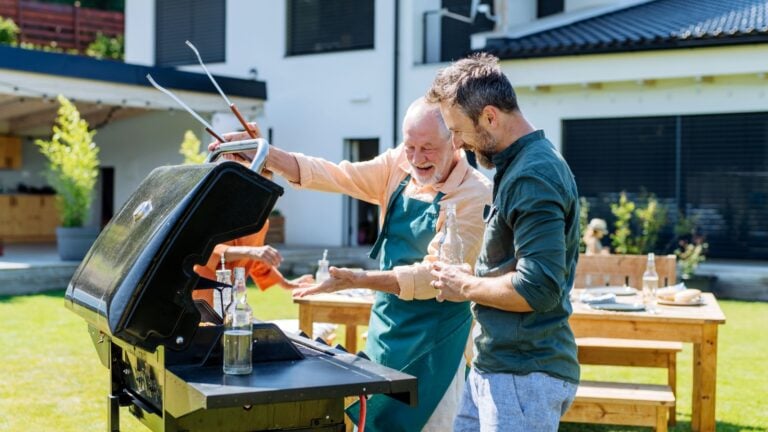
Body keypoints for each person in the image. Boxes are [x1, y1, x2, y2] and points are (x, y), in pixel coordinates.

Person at [211, 98, 492, 432]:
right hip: (387, 330)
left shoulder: (475, 193)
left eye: (427, 148)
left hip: (437, 343)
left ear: (455, 140)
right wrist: (265, 152)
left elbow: (435, 276)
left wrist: (359, 278)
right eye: (410, 145)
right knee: (371, 423)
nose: (416, 158)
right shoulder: (397, 165)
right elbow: (335, 175)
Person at [426, 53, 580, 431]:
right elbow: (517, 267)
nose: (457, 144)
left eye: (458, 130)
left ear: (490, 116)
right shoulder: (517, 166)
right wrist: (472, 275)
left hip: (524, 374)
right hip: (495, 365)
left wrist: (464, 285)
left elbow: (539, 287)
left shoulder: (534, 174)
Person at [192, 154, 313, 310]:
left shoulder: (261, 223)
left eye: (267, 188)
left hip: (231, 297)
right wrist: (252, 251)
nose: (262, 196)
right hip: (203, 295)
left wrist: (287, 284)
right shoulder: (217, 212)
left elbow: (255, 260)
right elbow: (207, 251)